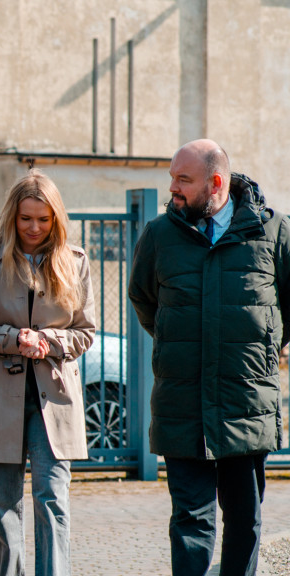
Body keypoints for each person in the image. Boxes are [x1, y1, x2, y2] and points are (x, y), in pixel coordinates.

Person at [129, 139, 288, 576]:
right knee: (190, 520)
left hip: (245, 401)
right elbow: (144, 299)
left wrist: (263, 345)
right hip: (182, 402)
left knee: (244, 518)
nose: (173, 188)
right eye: (172, 178)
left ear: (215, 183)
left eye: (183, 179)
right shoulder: (159, 235)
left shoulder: (272, 232)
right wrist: (180, 339)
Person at [0, 169, 96, 576]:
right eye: (26, 218)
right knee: (1, 507)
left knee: (53, 499)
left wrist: (47, 340)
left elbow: (84, 332)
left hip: (55, 398)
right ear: (12, 216)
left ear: (56, 218)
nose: (34, 227)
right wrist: (15, 339)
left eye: (43, 219)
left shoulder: (75, 261)